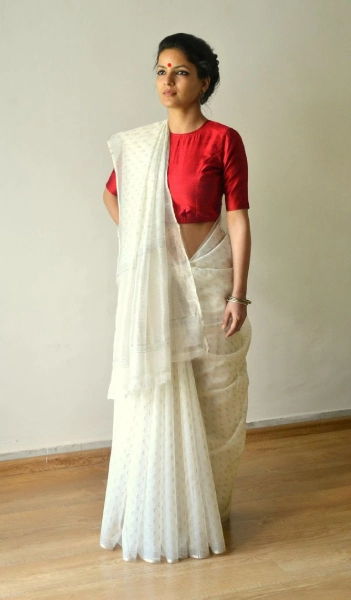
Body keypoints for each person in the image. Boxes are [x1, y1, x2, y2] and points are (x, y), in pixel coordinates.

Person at [100, 32, 252, 564]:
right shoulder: (144, 146)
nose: (168, 81)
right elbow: (111, 193)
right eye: (161, 70)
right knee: (154, 391)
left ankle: (209, 507)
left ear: (204, 81)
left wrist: (239, 294)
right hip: (156, 284)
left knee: (216, 395)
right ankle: (158, 509)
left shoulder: (223, 140)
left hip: (210, 279)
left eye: (181, 71)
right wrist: (143, 246)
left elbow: (237, 217)